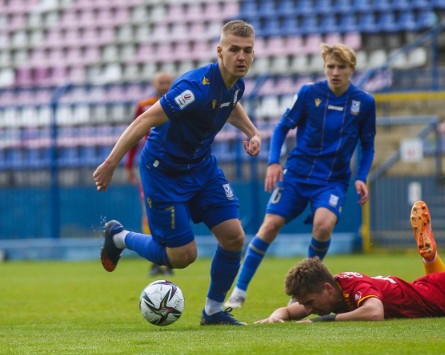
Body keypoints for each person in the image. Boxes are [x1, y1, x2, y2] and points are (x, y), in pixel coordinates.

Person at [94, 20, 262, 326]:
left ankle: (213, 311)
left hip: (201, 167)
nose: (241, 57)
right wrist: (111, 163)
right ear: (219, 51)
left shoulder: (236, 83)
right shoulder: (193, 88)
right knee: (183, 256)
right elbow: (144, 121)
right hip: (164, 173)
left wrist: (252, 131)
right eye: (234, 50)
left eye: (247, 51)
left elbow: (231, 103)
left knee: (234, 237)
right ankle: (119, 237)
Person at [256, 185, 445, 322]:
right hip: (435, 290)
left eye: (310, 302)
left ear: (326, 288)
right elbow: (298, 309)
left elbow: (374, 313)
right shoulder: (334, 289)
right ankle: (430, 259)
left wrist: (325, 321)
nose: (309, 308)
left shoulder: (355, 289)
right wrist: (277, 316)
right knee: (434, 294)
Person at [225, 42, 376, 309]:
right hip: (296, 175)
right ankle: (239, 290)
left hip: (331, 181)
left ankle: (306, 293)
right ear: (324, 67)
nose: (335, 72)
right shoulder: (309, 93)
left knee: (323, 225)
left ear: (352, 69)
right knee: (269, 226)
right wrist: (273, 162)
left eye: (341, 67)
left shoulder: (364, 103)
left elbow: (368, 145)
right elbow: (283, 127)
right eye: (331, 66)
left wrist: (362, 175)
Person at [124, 71, 174, 277]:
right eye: (160, 82)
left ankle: (170, 256)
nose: (163, 85)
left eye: (167, 82)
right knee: (149, 211)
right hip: (151, 167)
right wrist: (128, 165)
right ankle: (156, 258)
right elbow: (134, 134)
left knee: (174, 211)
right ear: (154, 84)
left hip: (175, 166)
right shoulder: (144, 105)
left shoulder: (181, 103)